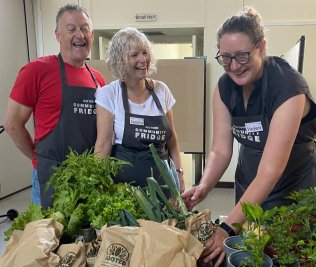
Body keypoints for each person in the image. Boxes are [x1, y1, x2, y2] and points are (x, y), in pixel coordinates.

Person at [182, 7, 316, 266]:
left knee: (284, 252)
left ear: (261, 47)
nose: (234, 66)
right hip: (250, 178)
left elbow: (271, 170)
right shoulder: (224, 87)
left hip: (291, 182)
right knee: (248, 251)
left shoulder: (288, 88)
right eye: (225, 58)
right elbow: (221, 150)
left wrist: (227, 228)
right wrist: (204, 185)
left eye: (242, 56)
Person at [4, 4, 106, 208]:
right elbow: (12, 124)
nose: (80, 35)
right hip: (51, 176)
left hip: (87, 179)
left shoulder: (98, 80)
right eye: (71, 29)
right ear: (58, 34)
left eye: (84, 28)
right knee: (49, 236)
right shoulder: (36, 71)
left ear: (92, 34)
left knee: (83, 238)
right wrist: (37, 158)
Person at [94, 27, 185, 193]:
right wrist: (97, 184)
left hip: (163, 188)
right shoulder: (109, 94)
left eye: (145, 52)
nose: (143, 59)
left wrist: (179, 175)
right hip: (124, 189)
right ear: (120, 60)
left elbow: (171, 138)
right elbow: (103, 144)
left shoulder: (161, 90)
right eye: (135, 55)